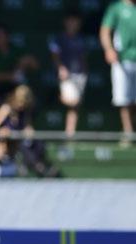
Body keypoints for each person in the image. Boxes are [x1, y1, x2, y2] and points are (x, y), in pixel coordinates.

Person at [0, 85, 60, 178]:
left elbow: (27, 127)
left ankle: (42, 165)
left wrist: (29, 132)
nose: (21, 105)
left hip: (19, 142)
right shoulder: (6, 108)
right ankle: (39, 167)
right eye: (20, 101)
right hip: (6, 143)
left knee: (36, 144)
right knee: (21, 146)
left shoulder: (25, 112)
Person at [49, 9, 87, 159]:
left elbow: (83, 58)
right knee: (73, 102)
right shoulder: (59, 38)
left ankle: (70, 134)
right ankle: (56, 96)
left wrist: (85, 72)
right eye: (70, 20)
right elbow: (55, 55)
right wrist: (60, 68)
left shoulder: (80, 39)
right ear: (65, 22)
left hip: (79, 75)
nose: (73, 24)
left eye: (75, 21)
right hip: (65, 75)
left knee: (75, 107)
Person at [100, 0, 136, 147]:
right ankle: (128, 132)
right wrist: (109, 49)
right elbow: (105, 30)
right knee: (124, 98)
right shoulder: (115, 8)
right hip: (122, 60)